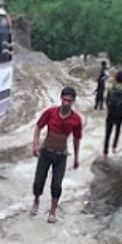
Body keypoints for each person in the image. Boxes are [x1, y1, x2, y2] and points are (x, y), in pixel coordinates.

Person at [31, 87, 83, 223]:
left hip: (61, 156)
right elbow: (38, 127)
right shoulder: (50, 112)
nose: (66, 103)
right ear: (61, 98)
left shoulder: (76, 120)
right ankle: (36, 200)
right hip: (46, 152)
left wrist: (76, 158)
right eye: (64, 100)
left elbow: (77, 139)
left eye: (69, 101)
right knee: (38, 181)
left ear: (73, 102)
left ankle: (53, 210)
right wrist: (35, 144)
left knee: (56, 184)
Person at [103, 71, 122, 158]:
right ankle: (114, 147)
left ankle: (105, 151)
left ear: (115, 78)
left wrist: (109, 109)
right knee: (117, 130)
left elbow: (106, 101)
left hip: (111, 113)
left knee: (108, 132)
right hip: (120, 113)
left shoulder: (111, 89)